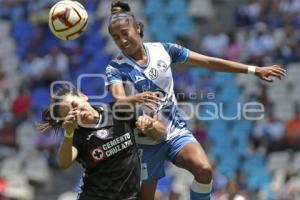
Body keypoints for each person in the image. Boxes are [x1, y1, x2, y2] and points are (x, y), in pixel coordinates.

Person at [105, 2, 287, 200]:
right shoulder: (115, 68)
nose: (122, 41)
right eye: (116, 37)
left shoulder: (164, 50)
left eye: (125, 33)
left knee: (204, 169)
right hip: (144, 141)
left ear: (138, 27)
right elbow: (120, 102)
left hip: (174, 130)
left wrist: (253, 70)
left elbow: (209, 62)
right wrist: (136, 98)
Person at [37, 83, 166, 200]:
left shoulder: (118, 110)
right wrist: (69, 133)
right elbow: (64, 163)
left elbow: (162, 135)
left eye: (74, 105)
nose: (76, 111)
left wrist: (150, 125)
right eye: (70, 114)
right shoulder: (75, 136)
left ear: (83, 96)